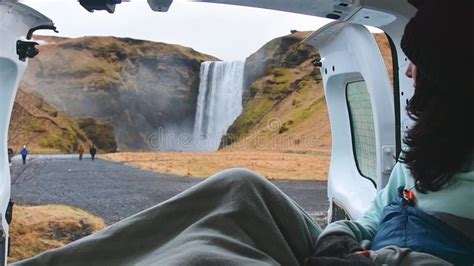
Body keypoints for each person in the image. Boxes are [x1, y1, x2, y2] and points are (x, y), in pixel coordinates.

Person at [13, 1, 473, 265]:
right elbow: (378, 213)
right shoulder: (428, 152)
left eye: (420, 64)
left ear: (452, 77)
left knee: (208, 257)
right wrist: (345, 234)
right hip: (361, 254)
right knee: (239, 184)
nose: (408, 72)